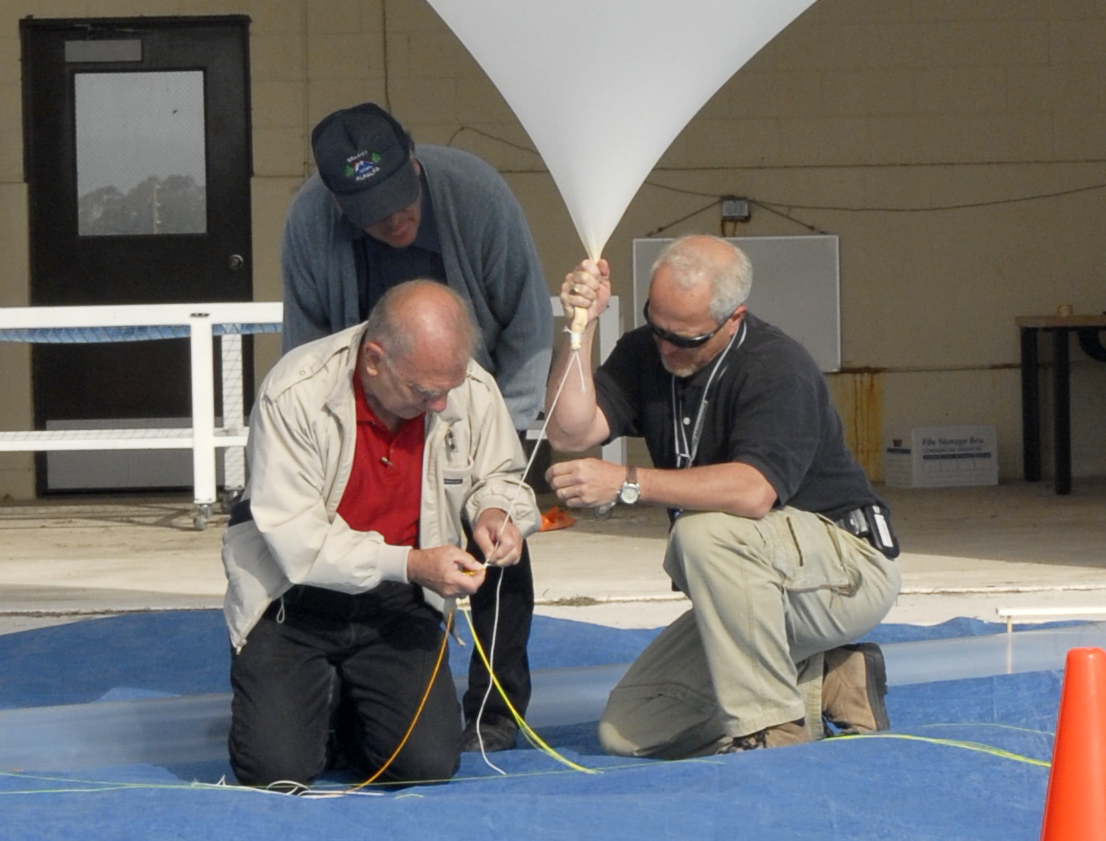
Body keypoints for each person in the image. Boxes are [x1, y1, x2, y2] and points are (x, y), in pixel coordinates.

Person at [547, 234, 900, 756]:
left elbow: (754, 491)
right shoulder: (647, 351)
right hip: (754, 586)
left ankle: (772, 729)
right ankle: (827, 677)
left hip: (845, 572)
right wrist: (583, 325)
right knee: (631, 728)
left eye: (686, 340)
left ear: (734, 318)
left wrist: (627, 482)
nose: (667, 347)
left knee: (704, 530)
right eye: (657, 325)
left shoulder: (778, 366)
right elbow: (569, 431)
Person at [281, 103, 549, 745]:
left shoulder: (478, 195)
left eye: (404, 199)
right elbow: (304, 350)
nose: (397, 219)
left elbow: (529, 325)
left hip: (478, 401)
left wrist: (496, 464)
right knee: (368, 552)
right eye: (374, 212)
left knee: (499, 545)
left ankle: (497, 711)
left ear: (415, 161)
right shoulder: (308, 221)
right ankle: (357, 693)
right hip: (365, 412)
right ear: (338, 202)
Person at [224, 279, 538, 789]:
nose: (440, 404)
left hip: (398, 605)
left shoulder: (467, 385)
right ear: (374, 359)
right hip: (295, 601)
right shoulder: (295, 390)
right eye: (424, 391)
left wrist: (496, 511)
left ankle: (347, 707)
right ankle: (316, 700)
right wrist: (413, 564)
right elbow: (297, 543)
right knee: (274, 772)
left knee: (428, 766)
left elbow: (502, 474)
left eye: (448, 388)